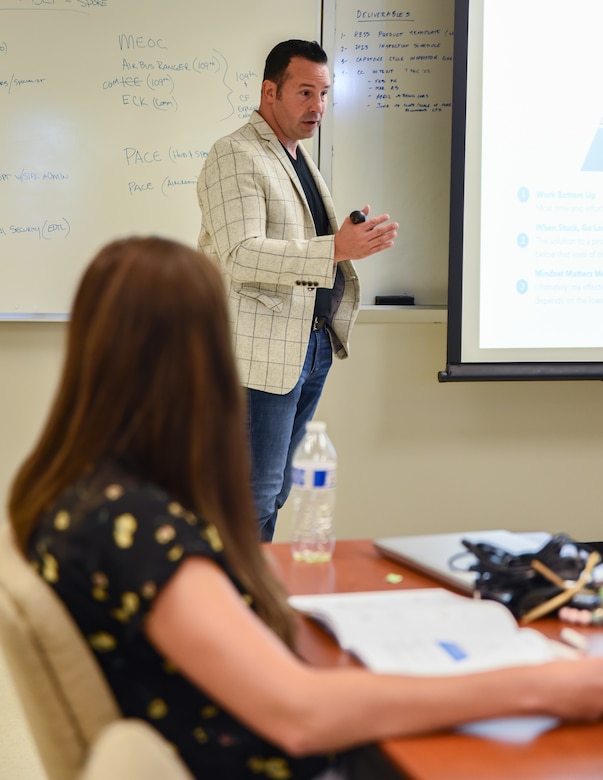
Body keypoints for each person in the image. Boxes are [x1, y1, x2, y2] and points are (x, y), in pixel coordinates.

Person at [8, 236, 603, 780]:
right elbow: (300, 714)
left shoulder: (77, 494)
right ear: (200, 359)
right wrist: (541, 687)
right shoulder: (132, 527)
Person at [197, 39, 399, 541]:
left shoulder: (296, 156)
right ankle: (237, 607)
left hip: (308, 346)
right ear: (271, 92)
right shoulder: (235, 154)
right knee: (252, 495)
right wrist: (335, 248)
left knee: (276, 491)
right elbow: (241, 253)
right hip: (255, 355)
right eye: (305, 92)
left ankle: (252, 600)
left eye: (325, 94)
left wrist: (346, 246)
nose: (318, 107)